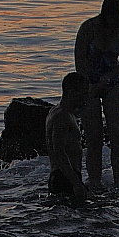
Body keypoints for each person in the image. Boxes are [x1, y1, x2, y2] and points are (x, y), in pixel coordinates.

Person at [75, 0, 119, 190]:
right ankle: (95, 181)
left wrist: (108, 78)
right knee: (94, 137)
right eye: (116, 19)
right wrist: (91, 86)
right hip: (88, 83)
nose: (118, 23)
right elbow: (79, 64)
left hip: (113, 80)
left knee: (118, 136)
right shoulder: (88, 28)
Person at [46, 71, 90, 206]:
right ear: (71, 92)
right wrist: (76, 183)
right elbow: (59, 152)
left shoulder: (57, 111)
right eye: (83, 93)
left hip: (64, 176)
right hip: (65, 178)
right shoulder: (62, 117)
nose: (86, 97)